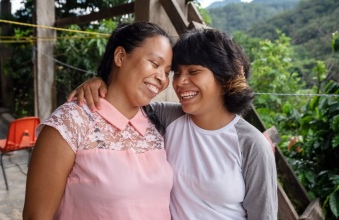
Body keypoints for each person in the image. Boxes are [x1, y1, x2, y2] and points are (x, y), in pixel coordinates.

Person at [69, 28, 278, 219]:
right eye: (177, 73)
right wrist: (99, 83)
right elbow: (123, 98)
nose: (179, 82)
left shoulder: (251, 144)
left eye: (193, 72)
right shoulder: (166, 117)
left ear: (224, 77)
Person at [23, 22, 174, 219]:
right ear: (120, 57)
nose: (162, 78)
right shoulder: (71, 122)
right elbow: (37, 215)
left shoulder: (157, 124)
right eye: (154, 64)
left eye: (168, 71)